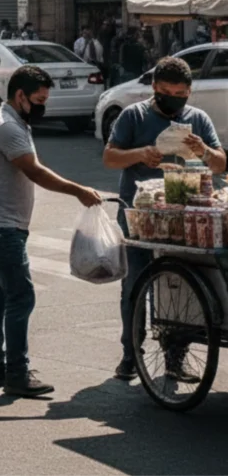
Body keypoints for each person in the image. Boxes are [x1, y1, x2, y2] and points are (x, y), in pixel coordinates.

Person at [0, 65, 102, 397]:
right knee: (21, 296)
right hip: (0, 228)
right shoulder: (6, 127)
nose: (44, 106)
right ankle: (15, 372)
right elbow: (36, 172)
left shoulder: (14, 121)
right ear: (20, 96)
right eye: (39, 100)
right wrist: (79, 191)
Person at [103, 57, 226, 381]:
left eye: (181, 92)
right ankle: (131, 355)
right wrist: (140, 154)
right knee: (134, 285)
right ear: (155, 89)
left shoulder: (197, 119)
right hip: (142, 215)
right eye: (167, 91)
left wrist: (203, 151)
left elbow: (220, 163)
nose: (175, 97)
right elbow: (110, 157)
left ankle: (175, 358)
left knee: (181, 286)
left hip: (184, 219)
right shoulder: (134, 115)